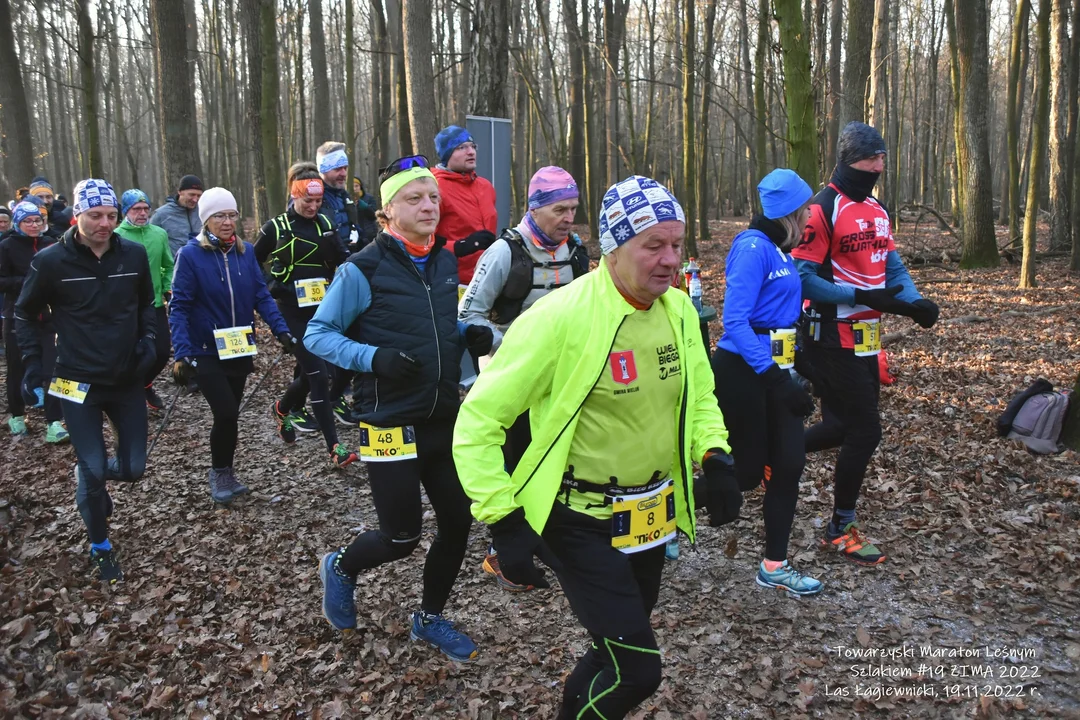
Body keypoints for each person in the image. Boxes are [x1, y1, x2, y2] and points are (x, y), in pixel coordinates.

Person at [452, 175, 739, 719]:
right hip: (578, 521)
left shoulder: (678, 310)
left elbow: (699, 393)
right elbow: (478, 421)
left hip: (650, 515)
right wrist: (503, 518)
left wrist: (714, 456)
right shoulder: (559, 318)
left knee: (612, 651)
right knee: (638, 669)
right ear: (612, 247)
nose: (670, 260)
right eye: (653, 245)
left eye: (676, 245)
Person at [306, 155, 493, 663]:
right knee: (402, 535)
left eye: (433, 196)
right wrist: (374, 358)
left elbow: (432, 327)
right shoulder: (361, 268)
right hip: (388, 420)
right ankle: (341, 566)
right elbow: (318, 334)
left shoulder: (441, 261)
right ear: (388, 211)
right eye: (415, 197)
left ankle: (429, 618)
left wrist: (465, 338)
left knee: (458, 521)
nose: (429, 205)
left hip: (439, 413)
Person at [791, 122, 940, 566]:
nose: (879, 166)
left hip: (866, 337)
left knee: (840, 427)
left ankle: (771, 451)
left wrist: (914, 302)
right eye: (872, 158)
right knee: (866, 430)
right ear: (850, 159)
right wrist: (860, 296)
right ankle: (840, 528)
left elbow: (891, 266)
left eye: (883, 158)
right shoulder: (822, 208)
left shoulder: (876, 208)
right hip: (827, 337)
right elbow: (803, 278)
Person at [15, 179, 157, 585]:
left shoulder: (132, 253)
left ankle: (89, 477)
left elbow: (147, 303)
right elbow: (24, 314)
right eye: (95, 215)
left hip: (125, 377)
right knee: (94, 470)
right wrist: (33, 366)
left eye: (111, 216)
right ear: (77, 215)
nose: (105, 224)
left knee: (133, 469)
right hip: (74, 381)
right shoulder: (51, 261)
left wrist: (148, 341)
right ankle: (100, 546)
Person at [458, 165, 589, 591]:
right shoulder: (503, 252)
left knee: (555, 459)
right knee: (513, 462)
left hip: (562, 378)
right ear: (535, 207)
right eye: (559, 210)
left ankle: (555, 539)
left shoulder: (577, 251)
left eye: (573, 208)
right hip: (511, 375)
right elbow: (468, 316)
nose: (568, 217)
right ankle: (504, 552)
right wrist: (509, 341)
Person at [712, 169, 822, 596]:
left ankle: (774, 564)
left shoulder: (781, 251)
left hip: (777, 372)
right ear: (788, 211)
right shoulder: (751, 249)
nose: (812, 211)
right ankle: (665, 519)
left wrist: (803, 367)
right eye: (806, 205)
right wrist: (775, 378)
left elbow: (780, 319)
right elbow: (735, 322)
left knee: (790, 465)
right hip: (742, 373)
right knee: (744, 474)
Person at [169, 187, 297, 504]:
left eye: (231, 215)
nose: (227, 222)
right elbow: (179, 307)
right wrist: (182, 354)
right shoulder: (190, 256)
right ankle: (219, 474)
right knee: (225, 412)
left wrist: (281, 330)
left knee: (231, 415)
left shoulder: (246, 252)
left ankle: (226, 471)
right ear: (206, 220)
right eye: (219, 216)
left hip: (239, 346)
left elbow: (261, 295)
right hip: (204, 348)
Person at [257, 162, 357, 468]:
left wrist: (338, 253)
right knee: (318, 375)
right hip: (290, 313)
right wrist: (272, 292)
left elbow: (343, 260)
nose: (313, 207)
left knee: (313, 371)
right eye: (307, 201)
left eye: (317, 201)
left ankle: (284, 407)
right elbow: (251, 266)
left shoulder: (324, 223)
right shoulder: (275, 228)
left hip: (322, 311)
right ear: (293, 196)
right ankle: (335, 448)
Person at [1, 201, 67, 442]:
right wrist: (30, 281)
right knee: (19, 367)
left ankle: (54, 422)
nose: (33, 225)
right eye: (27, 221)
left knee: (54, 369)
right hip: (17, 316)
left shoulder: (51, 244)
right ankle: (17, 414)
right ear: (18, 223)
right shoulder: (6, 246)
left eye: (37, 220)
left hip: (49, 318)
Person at [115, 189, 174, 410]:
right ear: (125, 212)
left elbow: (168, 264)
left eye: (145, 209)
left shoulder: (159, 234)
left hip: (155, 304)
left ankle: (144, 384)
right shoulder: (116, 236)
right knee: (133, 353)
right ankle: (131, 393)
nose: (142, 213)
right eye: (136, 209)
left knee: (160, 352)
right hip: (127, 307)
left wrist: (167, 287)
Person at [433, 125, 498, 286]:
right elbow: (422, 242)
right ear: (447, 155)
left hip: (488, 277)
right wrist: (460, 246)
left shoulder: (486, 186)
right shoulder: (434, 188)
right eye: (461, 147)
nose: (471, 152)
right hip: (451, 281)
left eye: (472, 146)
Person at [316, 142, 371, 252]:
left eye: (345, 168)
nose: (344, 173)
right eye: (337, 169)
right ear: (323, 168)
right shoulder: (311, 196)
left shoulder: (344, 196)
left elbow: (355, 228)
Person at [151, 174, 203, 258]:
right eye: (192, 194)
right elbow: (152, 243)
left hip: (201, 264)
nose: (195, 199)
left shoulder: (203, 211)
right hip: (174, 266)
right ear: (180, 192)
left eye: (199, 195)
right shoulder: (161, 214)